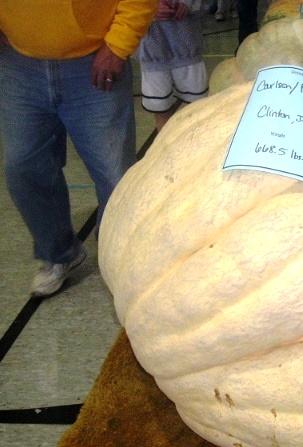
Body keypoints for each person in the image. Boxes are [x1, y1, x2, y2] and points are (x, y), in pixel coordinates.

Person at [0, 0, 157, 297]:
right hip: (19, 65)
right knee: (23, 167)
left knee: (114, 175)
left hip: (95, 60)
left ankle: (118, 256)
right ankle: (59, 254)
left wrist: (118, 45)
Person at [138, 0, 209, 132]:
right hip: (153, 53)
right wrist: (149, 9)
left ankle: (198, 143)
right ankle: (166, 144)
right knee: (161, 111)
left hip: (188, 47)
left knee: (198, 109)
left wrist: (186, 4)